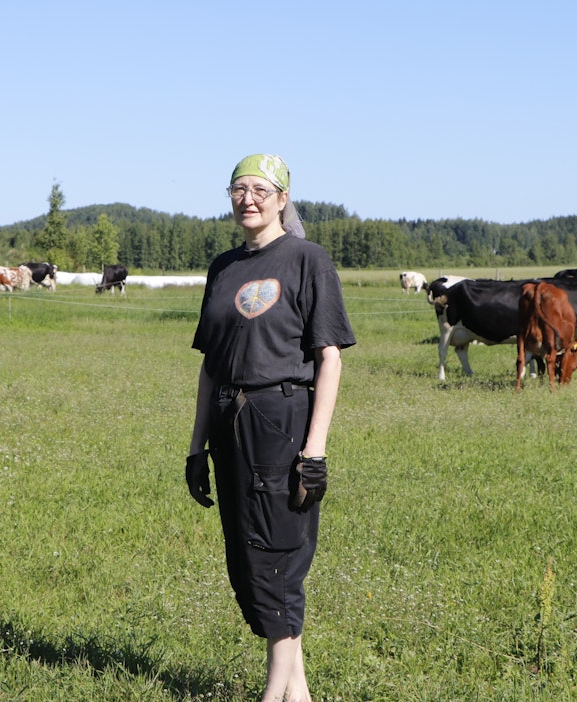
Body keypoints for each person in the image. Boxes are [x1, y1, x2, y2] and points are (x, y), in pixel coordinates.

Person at [187, 154, 356, 702]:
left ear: (283, 198)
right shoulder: (223, 267)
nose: (248, 199)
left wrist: (315, 452)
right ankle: (299, 694)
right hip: (227, 421)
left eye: (261, 189)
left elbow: (329, 358)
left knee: (276, 556)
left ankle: (272, 693)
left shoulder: (308, 259)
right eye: (238, 189)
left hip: (281, 420)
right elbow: (211, 365)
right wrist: (196, 448)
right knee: (245, 556)